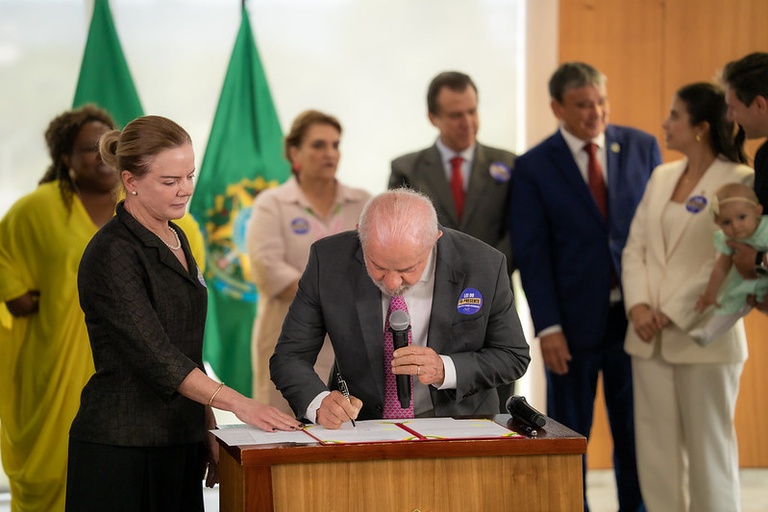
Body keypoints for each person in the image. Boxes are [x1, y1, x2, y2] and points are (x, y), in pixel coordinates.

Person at [65, 115, 301, 512]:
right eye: (170, 181)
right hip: (122, 446)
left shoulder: (177, 235)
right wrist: (240, 405)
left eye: (189, 175)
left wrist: (207, 426)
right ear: (131, 181)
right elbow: (157, 355)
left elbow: (187, 348)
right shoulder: (112, 252)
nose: (186, 190)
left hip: (179, 439)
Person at [508, 62, 660, 512]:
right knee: (570, 432)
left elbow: (655, 233)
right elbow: (532, 254)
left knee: (636, 432)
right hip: (571, 328)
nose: (594, 113)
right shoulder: (534, 166)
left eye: (600, 102)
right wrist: (548, 327)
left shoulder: (641, 147)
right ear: (557, 107)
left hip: (635, 320)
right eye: (582, 105)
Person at [270, 188, 530, 429]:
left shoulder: (483, 264)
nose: (392, 283)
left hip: (458, 423)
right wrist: (319, 403)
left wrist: (445, 368)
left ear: (434, 241)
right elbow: (289, 356)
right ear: (361, 233)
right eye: (378, 267)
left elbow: (512, 355)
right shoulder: (328, 260)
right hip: (362, 427)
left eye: (407, 269)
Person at [622, 82, 752, 512]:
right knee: (656, 456)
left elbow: (729, 255)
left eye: (674, 115)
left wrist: (669, 311)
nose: (665, 123)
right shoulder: (661, 177)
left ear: (699, 127)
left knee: (708, 456)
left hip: (703, 336)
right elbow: (635, 246)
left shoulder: (739, 179)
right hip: (647, 338)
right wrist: (639, 306)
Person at [0, 105, 117, 512]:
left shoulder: (145, 204)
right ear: (64, 158)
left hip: (127, 370)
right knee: (52, 471)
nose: (102, 155)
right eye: (88, 149)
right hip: (55, 370)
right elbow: (5, 257)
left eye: (109, 146)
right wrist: (17, 293)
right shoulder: (36, 210)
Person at [389, 71, 517, 411]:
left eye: (473, 111)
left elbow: (519, 232)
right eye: (456, 114)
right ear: (434, 117)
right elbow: (398, 232)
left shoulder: (509, 165)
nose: (468, 122)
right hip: (432, 296)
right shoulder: (408, 168)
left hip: (493, 297)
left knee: (498, 394)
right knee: (434, 392)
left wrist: (485, 273)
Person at [246, 110, 370, 413]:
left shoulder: (364, 202)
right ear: (294, 151)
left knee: (350, 432)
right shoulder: (271, 204)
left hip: (352, 344)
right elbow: (269, 271)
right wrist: (336, 297)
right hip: (288, 345)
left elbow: (381, 266)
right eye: (318, 145)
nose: (329, 153)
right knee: (285, 435)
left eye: (335, 145)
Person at [692, 183, 768, 345]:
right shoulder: (728, 239)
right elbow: (721, 267)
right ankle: (708, 333)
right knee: (730, 303)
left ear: (757, 211)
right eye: (726, 222)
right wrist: (710, 295)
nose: (735, 226)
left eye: (742, 217)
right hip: (747, 284)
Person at [721, 53, 768, 310]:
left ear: (759, 104)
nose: (730, 117)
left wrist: (759, 259)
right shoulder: (764, 156)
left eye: (733, 107)